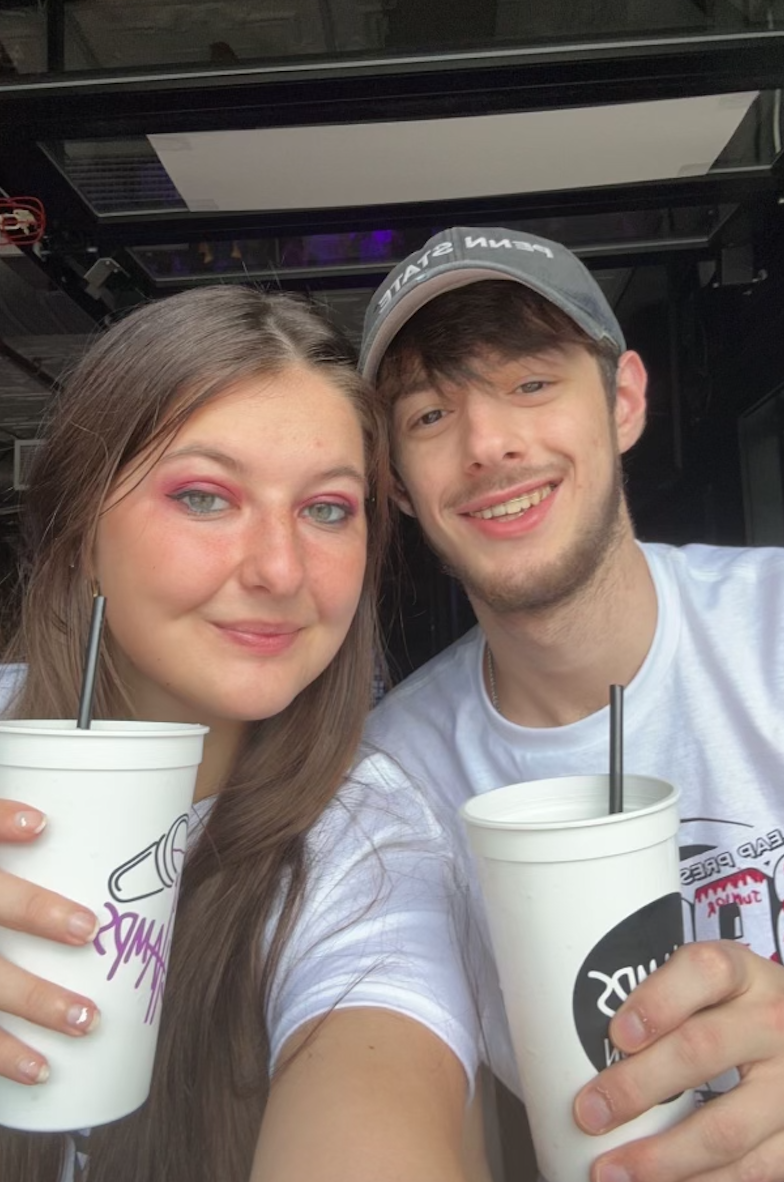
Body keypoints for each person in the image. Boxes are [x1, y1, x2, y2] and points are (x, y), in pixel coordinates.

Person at [0, 286, 492, 1182]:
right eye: (204, 497)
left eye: (327, 509)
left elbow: (374, 1084)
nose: (279, 568)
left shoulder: (366, 848)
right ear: (79, 536)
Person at [355, 226, 784, 1182]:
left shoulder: (772, 629)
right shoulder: (390, 783)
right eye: (431, 414)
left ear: (623, 401)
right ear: (398, 486)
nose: (488, 445)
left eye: (532, 382)